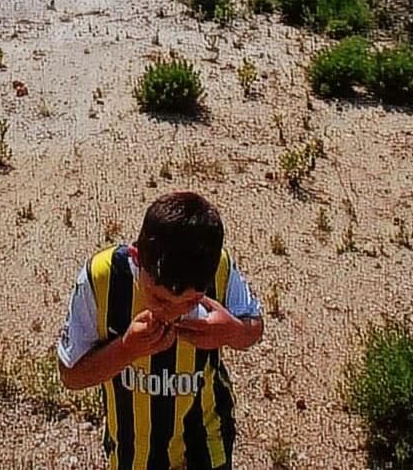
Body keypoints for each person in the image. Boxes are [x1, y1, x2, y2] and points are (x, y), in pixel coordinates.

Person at [56, 191, 264, 470]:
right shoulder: (101, 277)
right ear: (136, 257)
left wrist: (232, 332)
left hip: (206, 436)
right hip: (134, 448)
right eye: (159, 298)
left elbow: (254, 328)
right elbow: (71, 375)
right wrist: (127, 348)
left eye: (191, 301)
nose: (172, 312)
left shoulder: (220, 267)